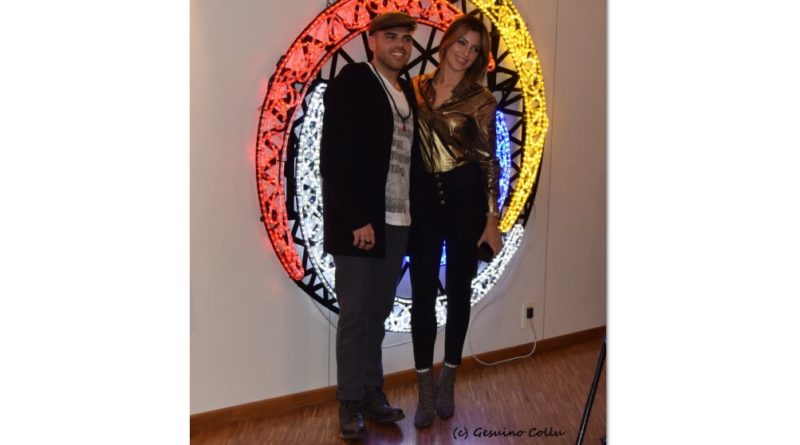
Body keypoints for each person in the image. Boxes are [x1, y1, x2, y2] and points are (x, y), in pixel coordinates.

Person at [319, 11, 419, 441]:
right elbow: (333, 157)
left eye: (406, 39)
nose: (400, 44)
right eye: (391, 36)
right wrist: (357, 218)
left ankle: (371, 391)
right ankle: (349, 402)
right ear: (372, 40)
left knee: (378, 313)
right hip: (361, 223)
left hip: (398, 220)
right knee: (356, 314)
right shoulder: (356, 80)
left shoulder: (407, 91)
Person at [408, 15, 503, 428]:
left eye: (474, 48)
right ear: (447, 42)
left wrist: (492, 218)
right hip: (423, 202)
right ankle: (424, 387)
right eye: (462, 42)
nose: (466, 53)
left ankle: (448, 378)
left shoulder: (481, 100)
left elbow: (489, 162)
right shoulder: (415, 87)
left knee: (459, 292)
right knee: (422, 294)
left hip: (465, 201)